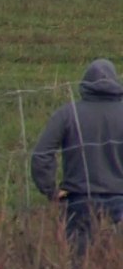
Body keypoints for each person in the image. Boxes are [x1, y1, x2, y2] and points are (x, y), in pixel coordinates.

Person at [30, 58, 123, 253]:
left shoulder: (68, 113)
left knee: (79, 266)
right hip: (119, 199)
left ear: (85, 84)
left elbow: (41, 155)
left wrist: (51, 191)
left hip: (79, 201)